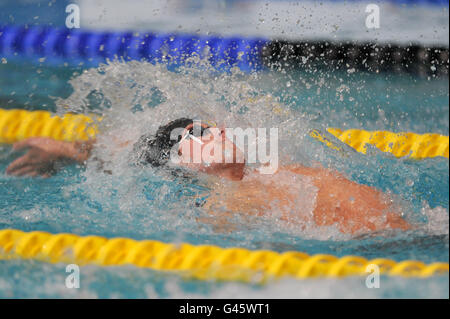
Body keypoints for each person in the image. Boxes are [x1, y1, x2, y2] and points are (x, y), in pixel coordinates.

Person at [5, 118, 410, 235]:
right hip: (393, 253)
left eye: (212, 126)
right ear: (182, 164)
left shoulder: (268, 167)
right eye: (197, 134)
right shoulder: (227, 207)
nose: (216, 131)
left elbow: (131, 148)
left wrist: (77, 151)